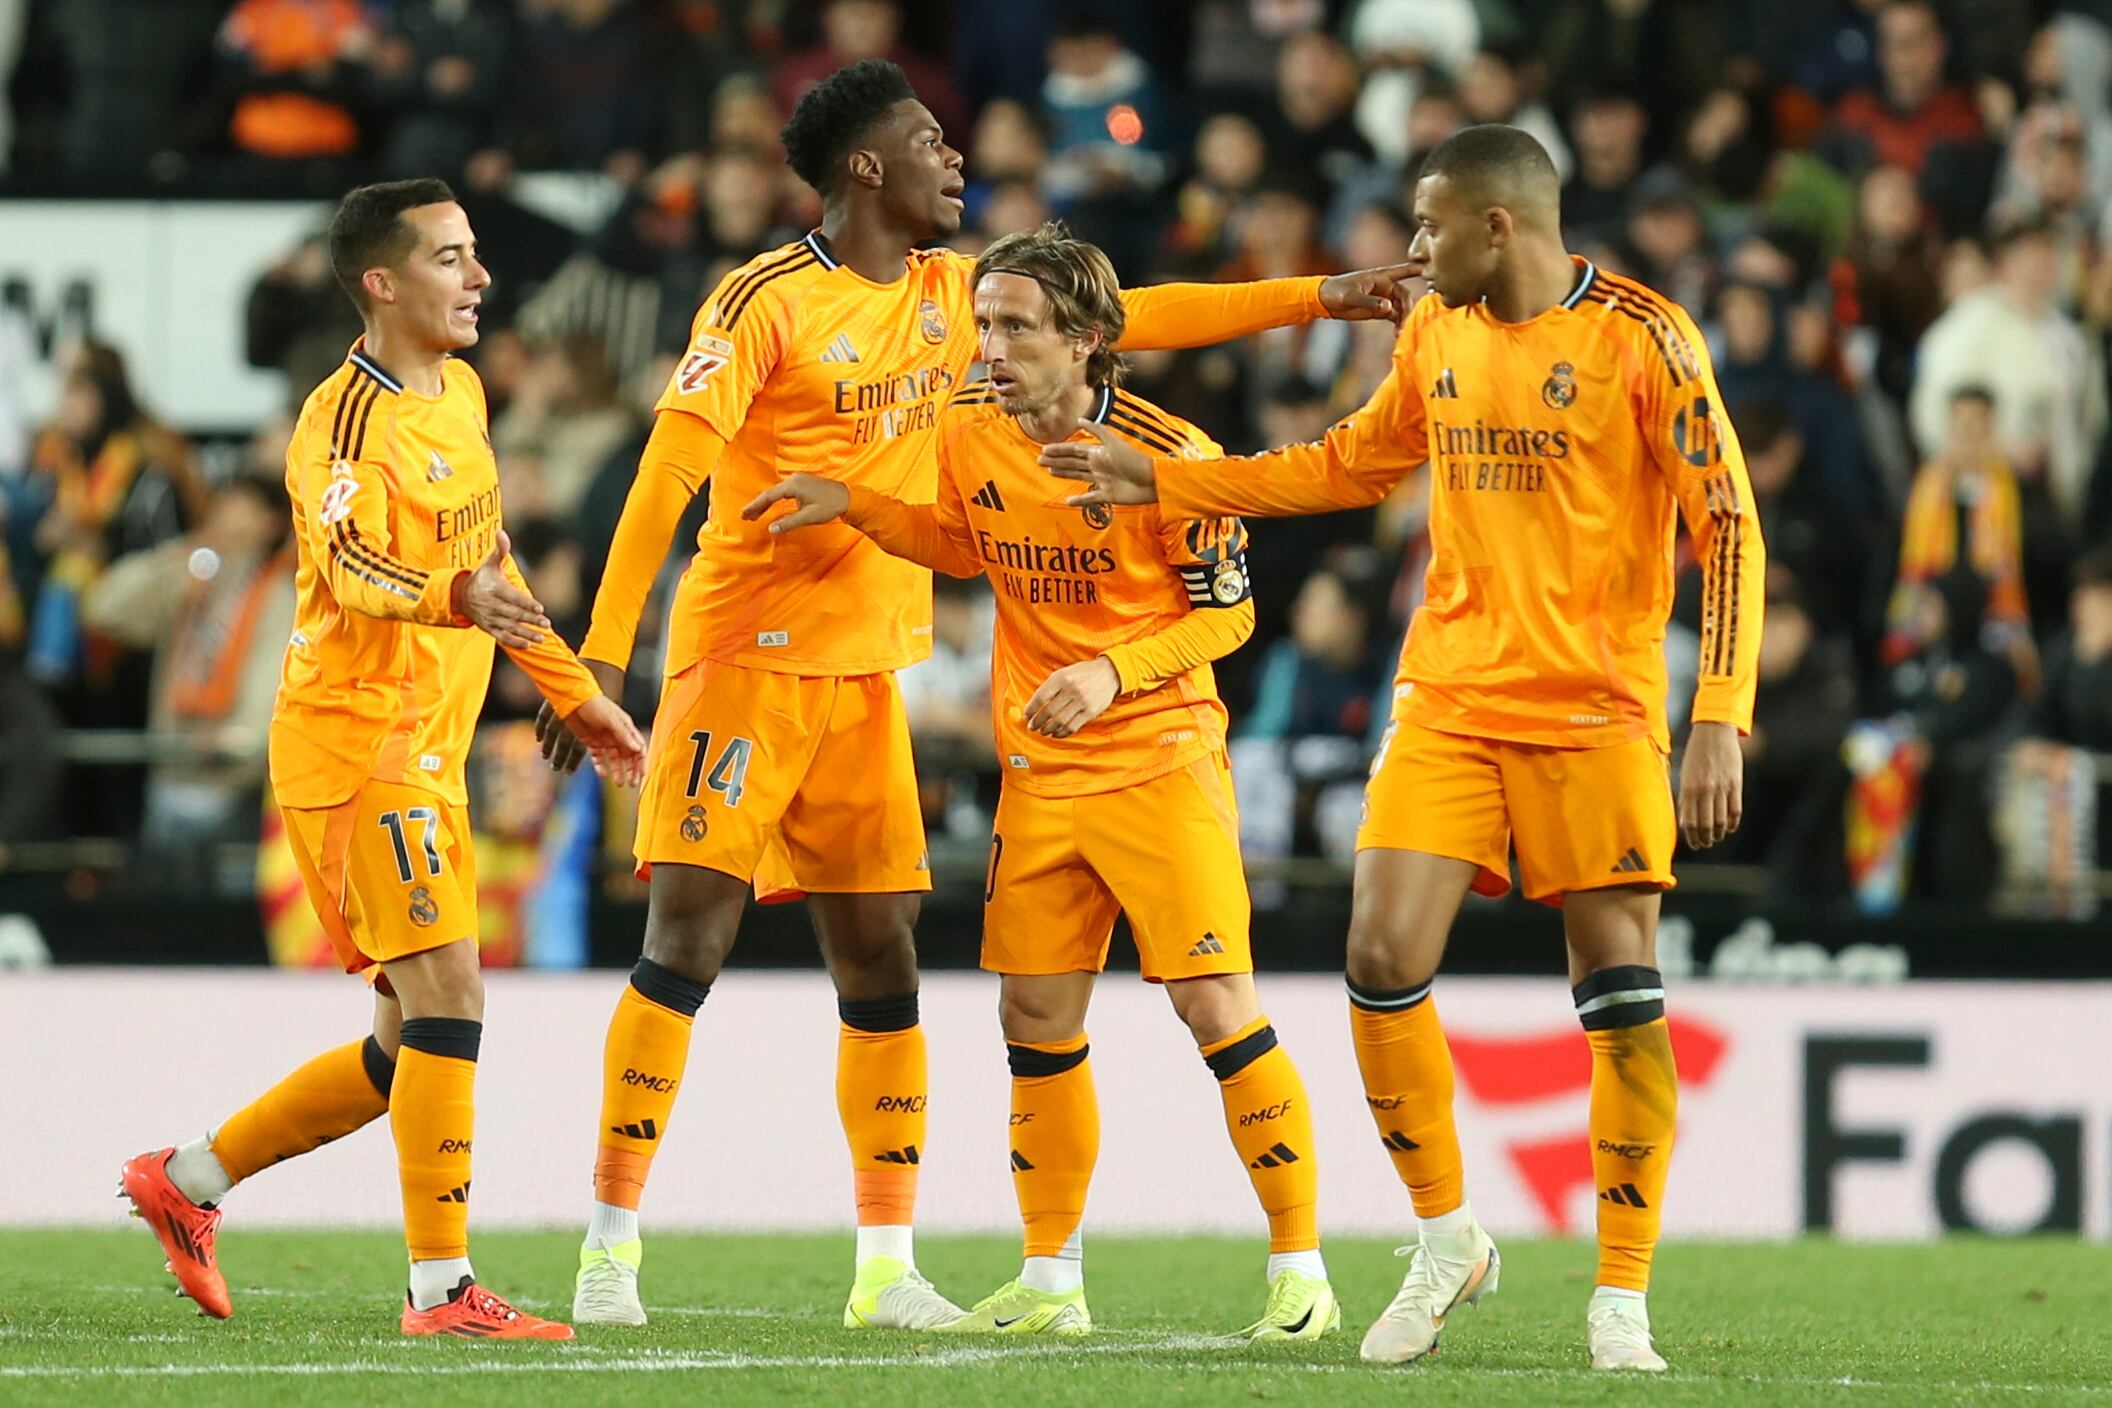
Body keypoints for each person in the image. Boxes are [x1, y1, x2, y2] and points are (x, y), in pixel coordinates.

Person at [533, 59, 1414, 1331]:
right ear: (867, 167)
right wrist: (602, 655)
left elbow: (1136, 314)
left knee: (882, 958)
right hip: (745, 659)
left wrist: (1320, 295)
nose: (955, 158)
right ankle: (609, 1250)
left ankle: (887, 1270)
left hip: (873, 671)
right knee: (686, 940)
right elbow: (669, 468)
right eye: (928, 141)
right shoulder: (764, 299)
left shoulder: (959, 298)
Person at [1045, 123, 1765, 1373]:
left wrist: (1719, 712)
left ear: (1499, 223)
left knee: (1617, 986)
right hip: (1448, 694)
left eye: (1430, 225)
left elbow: (1731, 524)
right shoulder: (1435, 328)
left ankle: (1621, 1295)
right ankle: (1447, 1239)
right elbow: (1351, 464)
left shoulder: (1644, 337)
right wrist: (1171, 485)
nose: (1414, 250)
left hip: (1596, 709)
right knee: (1378, 953)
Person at [744, 223, 1341, 1341]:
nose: (991, 346)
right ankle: (1051, 1280)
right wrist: (853, 501)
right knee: (1033, 1015)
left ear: (1087, 340)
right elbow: (966, 544)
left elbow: (1230, 616)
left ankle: (1301, 1275)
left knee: (1214, 1004)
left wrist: (1115, 671)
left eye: (1017, 326)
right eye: (984, 323)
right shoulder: (970, 426)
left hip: (1160, 762)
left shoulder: (1169, 453)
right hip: (1041, 773)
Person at [118, 178, 647, 1340]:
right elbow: (353, 563)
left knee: (405, 1040)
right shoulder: (339, 423)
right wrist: (455, 593)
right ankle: (441, 1289)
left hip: (428, 750)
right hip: (356, 747)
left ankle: (189, 1178)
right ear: (383, 282)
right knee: (452, 990)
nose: (480, 277)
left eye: (473, 254)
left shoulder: (462, 392)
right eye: (451, 258)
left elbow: (495, 572)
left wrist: (577, 696)